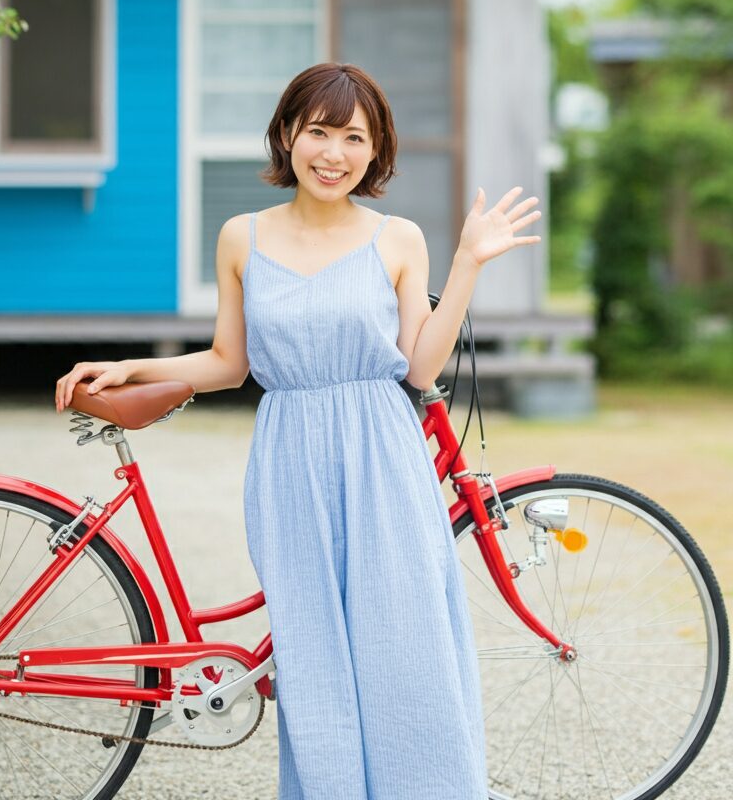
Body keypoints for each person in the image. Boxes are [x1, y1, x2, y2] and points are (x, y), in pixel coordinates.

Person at [55, 61, 541, 799]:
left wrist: (469, 262)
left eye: (354, 136)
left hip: (383, 454)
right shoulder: (242, 238)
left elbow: (418, 368)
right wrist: (131, 366)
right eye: (318, 131)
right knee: (312, 655)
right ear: (288, 134)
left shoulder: (398, 238)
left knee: (402, 647)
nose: (333, 153)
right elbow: (229, 362)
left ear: (376, 152)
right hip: (290, 459)